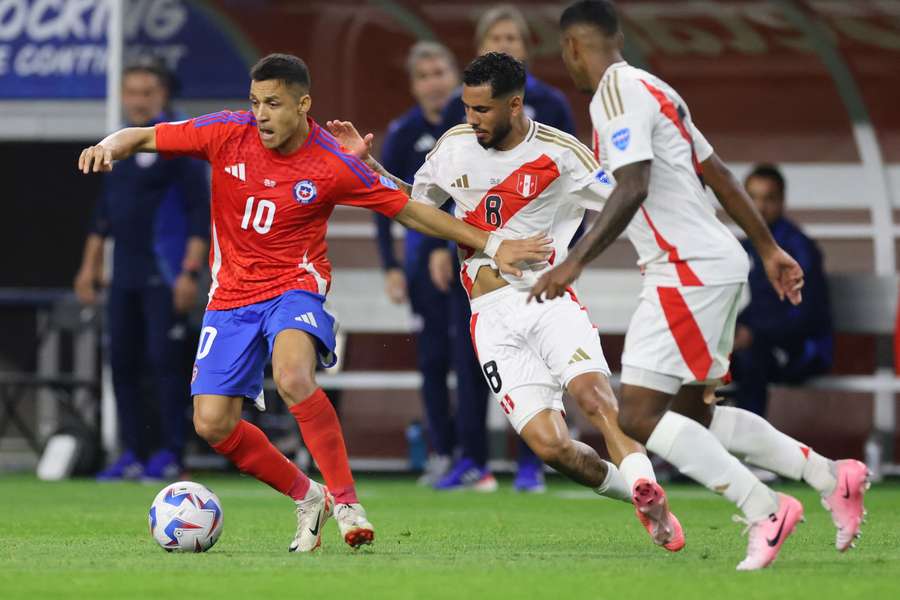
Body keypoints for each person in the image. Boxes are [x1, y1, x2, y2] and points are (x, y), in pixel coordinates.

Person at [77, 53, 547, 553]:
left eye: (274, 104)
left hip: (294, 285)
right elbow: (144, 135)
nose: (261, 114)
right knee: (212, 423)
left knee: (294, 377)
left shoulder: (331, 162)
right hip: (231, 296)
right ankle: (309, 496)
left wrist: (492, 243)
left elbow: (412, 212)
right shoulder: (225, 132)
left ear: (303, 105)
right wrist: (108, 144)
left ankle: (346, 502)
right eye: (255, 102)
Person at [531, 0, 869, 570]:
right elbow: (720, 174)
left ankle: (763, 508)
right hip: (706, 265)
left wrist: (575, 262)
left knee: (636, 416)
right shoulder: (656, 88)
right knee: (695, 413)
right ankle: (831, 476)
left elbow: (633, 184)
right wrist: (767, 247)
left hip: (684, 269)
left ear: (571, 48)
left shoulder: (612, 95)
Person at [328, 51, 685, 553]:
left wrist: (582, 258)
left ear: (515, 104)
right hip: (489, 318)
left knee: (594, 397)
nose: (470, 121)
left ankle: (644, 478)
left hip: (549, 301)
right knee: (551, 447)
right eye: (467, 109)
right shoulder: (454, 147)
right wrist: (369, 168)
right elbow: (412, 205)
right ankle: (643, 498)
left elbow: (627, 201)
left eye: (482, 111)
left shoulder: (563, 155)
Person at [434, 3, 579, 493]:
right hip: (477, 266)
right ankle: (471, 460)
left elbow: (576, 184)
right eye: (495, 36)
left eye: (512, 38)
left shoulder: (552, 108)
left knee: (541, 367)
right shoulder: (465, 127)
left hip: (537, 265)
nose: (504, 44)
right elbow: (434, 196)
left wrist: (566, 253)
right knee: (471, 362)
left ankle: (532, 464)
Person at [74, 60, 209, 482]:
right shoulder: (117, 147)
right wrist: (88, 266)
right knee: (123, 362)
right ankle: (133, 452)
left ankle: (170, 451)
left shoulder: (174, 145)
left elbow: (198, 213)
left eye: (146, 92)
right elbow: (104, 215)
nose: (138, 100)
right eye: (131, 92)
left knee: (164, 362)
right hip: (125, 275)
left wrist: (189, 272)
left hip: (166, 275)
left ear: (162, 95)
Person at [371, 41, 463, 486]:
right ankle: (442, 452)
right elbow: (380, 199)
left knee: (470, 359)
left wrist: (450, 251)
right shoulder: (405, 131)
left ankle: (472, 455)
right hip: (421, 263)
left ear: (455, 75)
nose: (433, 83)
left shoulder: (469, 126)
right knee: (431, 359)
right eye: (423, 76)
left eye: (439, 72)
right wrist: (390, 265)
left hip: (467, 258)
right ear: (413, 84)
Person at [732, 164, 833, 416]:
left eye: (769, 198)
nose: (760, 207)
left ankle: (747, 449)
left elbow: (804, 314)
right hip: (755, 343)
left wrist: (754, 333)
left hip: (801, 349)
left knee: (748, 361)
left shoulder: (798, 249)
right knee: (703, 362)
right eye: (752, 197)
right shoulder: (743, 246)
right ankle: (705, 444)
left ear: (782, 201)